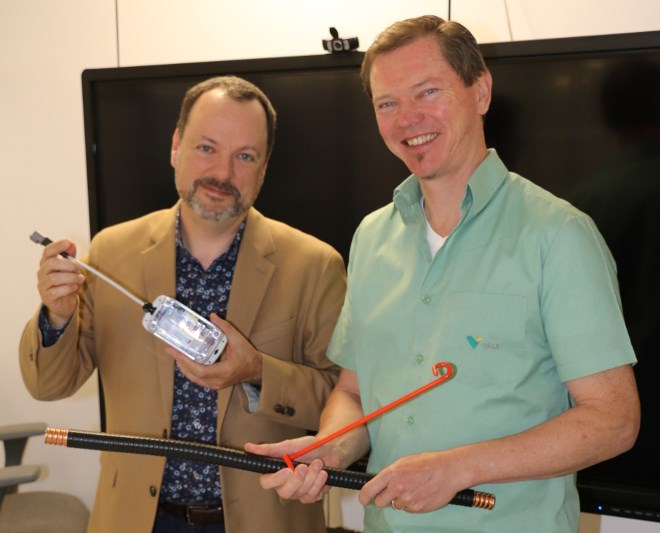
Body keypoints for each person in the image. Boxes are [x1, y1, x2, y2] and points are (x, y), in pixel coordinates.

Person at [246, 15, 641, 533]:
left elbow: (613, 420)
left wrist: (457, 468)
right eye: (387, 103)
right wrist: (328, 450)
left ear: (480, 91)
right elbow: (355, 393)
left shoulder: (558, 234)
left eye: (426, 92)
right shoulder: (371, 236)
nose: (407, 119)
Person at [19, 75, 346, 533]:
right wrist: (57, 315)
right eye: (206, 148)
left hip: (265, 520)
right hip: (136, 519)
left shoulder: (314, 265)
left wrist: (256, 372)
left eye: (245, 156)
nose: (223, 174)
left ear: (264, 167)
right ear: (176, 146)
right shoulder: (112, 253)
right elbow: (49, 386)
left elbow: (342, 398)